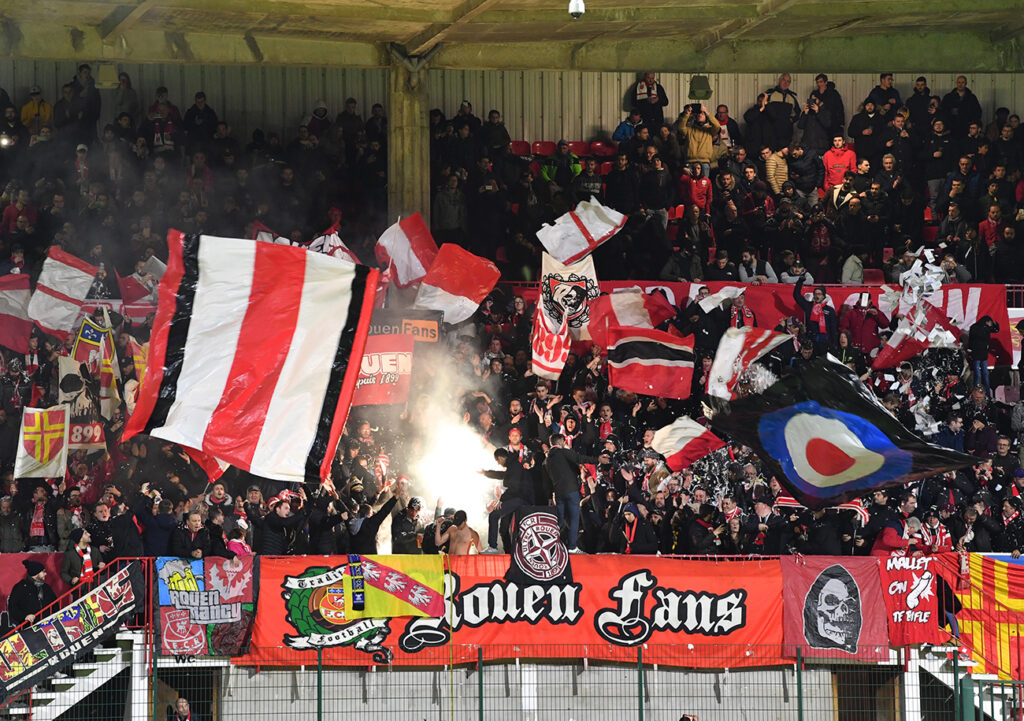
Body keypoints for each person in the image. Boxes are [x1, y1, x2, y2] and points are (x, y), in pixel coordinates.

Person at [544, 433, 596, 554]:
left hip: (558, 493)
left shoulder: (547, 459)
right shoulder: (563, 453)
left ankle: (550, 546)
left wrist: (550, 495)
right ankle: (572, 547)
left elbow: (546, 479)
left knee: (560, 521)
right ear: (561, 441)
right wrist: (596, 459)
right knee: (573, 519)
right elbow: (580, 458)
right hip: (571, 491)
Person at [7, 560, 57, 627]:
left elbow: (55, 604)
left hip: (48, 625)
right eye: (43, 571)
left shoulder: (46, 587)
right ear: (36, 573)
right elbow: (13, 607)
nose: (46, 574)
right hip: (29, 627)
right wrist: (24, 617)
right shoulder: (20, 587)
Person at [967, 316, 999, 396]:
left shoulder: (974, 327)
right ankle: (987, 394)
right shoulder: (985, 329)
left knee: (978, 374)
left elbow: (970, 339)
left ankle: (976, 392)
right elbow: (995, 330)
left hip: (977, 354)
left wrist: (970, 349)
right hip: (982, 354)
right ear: (987, 321)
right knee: (984, 374)